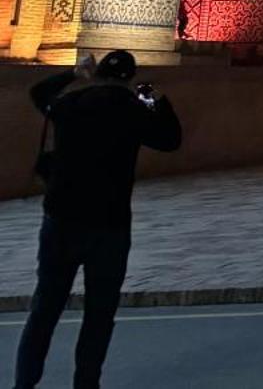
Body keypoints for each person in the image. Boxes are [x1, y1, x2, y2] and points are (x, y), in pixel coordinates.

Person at [13, 52, 181, 389]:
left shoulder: (71, 104)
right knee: (99, 315)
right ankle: (86, 383)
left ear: (99, 73)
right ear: (129, 79)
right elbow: (170, 139)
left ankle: (24, 384)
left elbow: (38, 94)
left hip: (62, 219)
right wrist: (156, 100)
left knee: (45, 309)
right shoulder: (134, 112)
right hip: (110, 226)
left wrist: (74, 74)